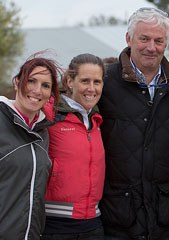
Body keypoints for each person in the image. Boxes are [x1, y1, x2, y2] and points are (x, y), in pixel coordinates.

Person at [97, 7, 169, 240]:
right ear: (129, 39)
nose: (151, 47)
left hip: (165, 220)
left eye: (159, 40)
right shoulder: (104, 83)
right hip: (117, 219)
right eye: (144, 39)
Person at [41, 53, 106, 240]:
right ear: (70, 81)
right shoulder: (49, 114)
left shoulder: (96, 120)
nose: (92, 89)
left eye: (97, 82)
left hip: (93, 223)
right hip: (55, 225)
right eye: (85, 81)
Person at [0, 53, 61, 239]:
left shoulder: (43, 132)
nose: (37, 90)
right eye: (31, 81)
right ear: (17, 82)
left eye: (45, 86)